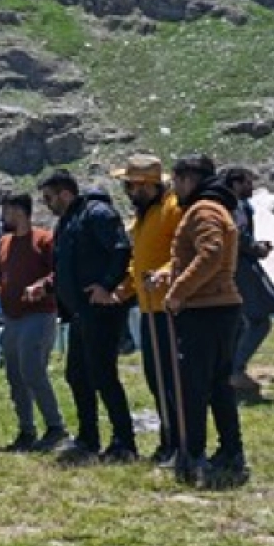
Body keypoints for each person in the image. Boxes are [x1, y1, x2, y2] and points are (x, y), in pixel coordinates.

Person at [150, 156, 247, 488]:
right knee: (219, 385)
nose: (174, 188)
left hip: (206, 309)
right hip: (219, 307)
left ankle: (193, 455)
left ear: (189, 179)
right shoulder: (216, 207)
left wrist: (178, 291)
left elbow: (211, 252)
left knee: (193, 385)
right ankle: (230, 452)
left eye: (176, 181)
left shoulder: (203, 210)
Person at [38, 171, 135, 466]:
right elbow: (70, 264)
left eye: (49, 198)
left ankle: (123, 441)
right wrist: (50, 285)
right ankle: (88, 437)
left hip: (101, 310)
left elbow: (121, 250)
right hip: (80, 312)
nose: (46, 204)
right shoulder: (69, 220)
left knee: (103, 376)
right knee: (77, 374)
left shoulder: (98, 214)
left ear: (65, 193)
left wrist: (106, 284)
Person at [109, 154, 182, 464]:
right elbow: (137, 262)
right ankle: (168, 438)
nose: (129, 191)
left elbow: (182, 252)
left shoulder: (173, 209)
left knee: (170, 378)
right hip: (147, 306)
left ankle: (180, 441)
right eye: (127, 185)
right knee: (155, 377)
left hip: (169, 306)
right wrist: (123, 290)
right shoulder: (142, 215)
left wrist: (164, 273)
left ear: (148, 185)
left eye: (133, 185)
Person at [0, 192, 65, 453]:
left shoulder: (44, 240)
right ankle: (27, 430)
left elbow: (58, 271)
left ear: (19, 211)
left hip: (39, 314)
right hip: (12, 317)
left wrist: (41, 286)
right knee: (15, 375)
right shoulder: (4, 242)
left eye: (6, 210)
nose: (2, 216)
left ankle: (56, 427)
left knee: (32, 369)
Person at [221, 166, 274, 401]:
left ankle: (230, 371)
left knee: (239, 323)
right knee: (259, 321)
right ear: (235, 184)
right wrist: (255, 248)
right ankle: (235, 371)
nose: (252, 187)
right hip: (240, 268)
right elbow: (236, 236)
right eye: (247, 182)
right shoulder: (232, 206)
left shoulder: (231, 205)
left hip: (236, 267)